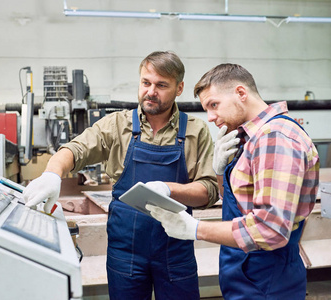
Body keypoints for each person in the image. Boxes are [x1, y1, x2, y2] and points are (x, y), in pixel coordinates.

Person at [23, 51, 219, 300]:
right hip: (126, 254)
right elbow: (75, 150)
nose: (151, 92)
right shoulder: (116, 125)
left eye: (161, 85)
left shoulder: (195, 130)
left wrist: (168, 190)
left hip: (175, 252)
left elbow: (209, 190)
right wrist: (52, 174)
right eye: (146, 83)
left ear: (179, 88)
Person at [146, 63, 320, 299]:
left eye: (213, 105)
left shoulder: (274, 138)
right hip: (247, 275)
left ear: (241, 93)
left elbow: (270, 229)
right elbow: (239, 201)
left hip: (268, 280)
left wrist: (195, 229)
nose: (210, 117)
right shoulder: (251, 138)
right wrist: (219, 170)